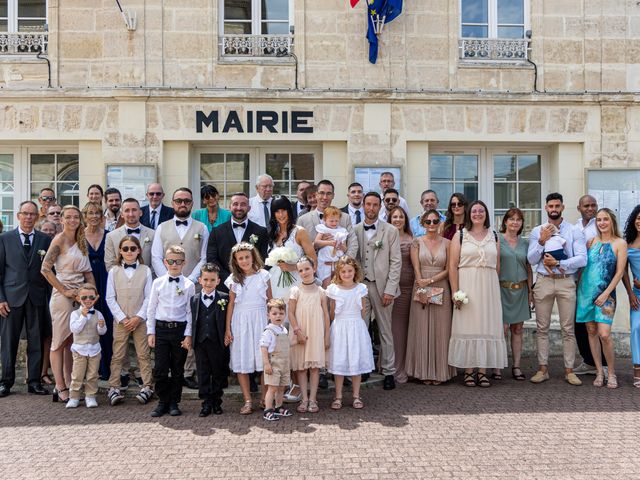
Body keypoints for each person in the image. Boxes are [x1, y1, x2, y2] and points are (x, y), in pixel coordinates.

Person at [527, 193, 587, 386]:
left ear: (562, 207)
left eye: (557, 206)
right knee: (542, 328)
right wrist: (542, 242)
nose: (554, 209)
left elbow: (582, 258)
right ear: (545, 208)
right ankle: (542, 369)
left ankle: (569, 371)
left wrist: (560, 262)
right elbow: (531, 259)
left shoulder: (574, 231)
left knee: (567, 329)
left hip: (565, 280)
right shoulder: (537, 231)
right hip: (543, 280)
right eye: (551, 206)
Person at [151, 187, 208, 389]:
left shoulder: (201, 228)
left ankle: (188, 371)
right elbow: (156, 256)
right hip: (166, 287)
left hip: (194, 286)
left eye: (186, 200)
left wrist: (190, 280)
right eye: (178, 201)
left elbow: (204, 257)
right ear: (173, 203)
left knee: (191, 325)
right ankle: (166, 371)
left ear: (192, 203)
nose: (182, 204)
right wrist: (167, 277)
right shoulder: (162, 227)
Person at [448, 200, 508, 388]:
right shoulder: (460, 236)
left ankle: (482, 371)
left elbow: (497, 265)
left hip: (488, 287)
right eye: (474, 211)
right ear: (469, 214)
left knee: (487, 326)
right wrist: (456, 291)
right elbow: (452, 266)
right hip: (467, 285)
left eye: (481, 210)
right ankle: (468, 370)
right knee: (468, 326)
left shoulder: (495, 235)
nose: (477, 214)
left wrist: (492, 287)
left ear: (486, 214)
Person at [41, 205, 95, 403]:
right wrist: (64, 290)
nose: (73, 220)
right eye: (69, 217)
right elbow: (45, 269)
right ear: (62, 219)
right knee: (59, 342)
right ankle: (59, 386)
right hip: (63, 297)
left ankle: (73, 385)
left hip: (81, 296)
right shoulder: (59, 239)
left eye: (76, 217)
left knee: (72, 342)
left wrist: (92, 294)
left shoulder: (81, 240)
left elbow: (88, 272)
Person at [0, 200, 52, 398]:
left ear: (37, 216)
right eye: (25, 213)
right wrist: (0, 299)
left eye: (32, 214)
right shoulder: (4, 239)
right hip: (11, 300)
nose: (29, 217)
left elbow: (49, 271)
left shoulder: (44, 240)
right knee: (8, 342)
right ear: (18, 216)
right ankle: (5, 382)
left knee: (36, 342)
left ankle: (34, 381)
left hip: (36, 297)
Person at [355, 191, 402, 391]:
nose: (371, 208)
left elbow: (396, 262)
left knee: (385, 330)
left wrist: (390, 290)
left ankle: (389, 371)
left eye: (375, 205)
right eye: (368, 204)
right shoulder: (355, 229)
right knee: (361, 329)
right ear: (363, 206)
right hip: (360, 287)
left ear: (380, 206)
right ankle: (364, 367)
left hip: (382, 286)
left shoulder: (390, 231)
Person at [576, 208, 627, 389]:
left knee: (604, 334)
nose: (602, 223)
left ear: (612, 221)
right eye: (599, 220)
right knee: (591, 331)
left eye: (605, 219)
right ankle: (599, 372)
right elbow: (584, 267)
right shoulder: (591, 242)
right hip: (585, 294)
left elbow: (620, 272)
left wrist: (606, 293)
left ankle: (611, 372)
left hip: (606, 295)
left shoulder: (620, 243)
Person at [405, 209, 456, 384]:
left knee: (441, 329)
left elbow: (450, 269)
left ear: (440, 222)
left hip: (441, 285)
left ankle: (440, 372)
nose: (432, 225)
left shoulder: (448, 243)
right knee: (421, 327)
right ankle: (422, 371)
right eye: (428, 222)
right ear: (423, 224)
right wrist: (422, 282)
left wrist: (432, 280)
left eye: (435, 221)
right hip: (420, 287)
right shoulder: (416, 242)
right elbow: (415, 267)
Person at [105, 236, 154, 406]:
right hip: (121, 320)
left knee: (143, 353)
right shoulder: (114, 271)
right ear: (120, 251)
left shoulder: (145, 270)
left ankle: (147, 385)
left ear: (139, 250)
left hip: (140, 319)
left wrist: (139, 317)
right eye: (125, 249)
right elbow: (110, 297)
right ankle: (114, 386)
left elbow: (149, 297)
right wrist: (122, 318)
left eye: (133, 248)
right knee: (118, 353)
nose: (129, 252)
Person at [146, 245, 195, 418]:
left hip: (179, 330)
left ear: (184, 263)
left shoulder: (189, 285)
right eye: (171, 261)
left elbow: (190, 312)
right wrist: (150, 332)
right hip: (161, 330)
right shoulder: (157, 283)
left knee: (177, 368)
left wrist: (188, 335)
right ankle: (162, 401)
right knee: (160, 368)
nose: (174, 264)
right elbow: (151, 309)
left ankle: (174, 401)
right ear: (165, 262)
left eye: (178, 261)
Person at [224, 242, 272, 415]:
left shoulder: (264, 275)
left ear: (253, 257)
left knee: (264, 359)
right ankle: (247, 400)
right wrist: (228, 329)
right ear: (235, 261)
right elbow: (231, 304)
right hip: (241, 321)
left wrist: (272, 326)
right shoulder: (233, 279)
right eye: (240, 258)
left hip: (260, 319)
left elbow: (270, 301)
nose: (244, 261)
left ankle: (265, 398)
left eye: (247, 257)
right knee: (242, 359)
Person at [326, 256, 375, 410]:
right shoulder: (333, 289)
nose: (347, 274)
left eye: (350, 271)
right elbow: (332, 311)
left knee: (355, 361)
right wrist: (332, 328)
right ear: (338, 273)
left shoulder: (360, 288)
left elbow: (363, 310)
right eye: (343, 271)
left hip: (355, 327)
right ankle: (338, 396)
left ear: (355, 271)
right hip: (340, 327)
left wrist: (359, 327)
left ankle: (356, 395)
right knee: (339, 361)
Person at [288, 257, 330, 414]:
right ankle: (304, 398)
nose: (304, 272)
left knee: (314, 368)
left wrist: (326, 336)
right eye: (300, 270)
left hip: (316, 333)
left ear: (314, 268)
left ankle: (313, 399)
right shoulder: (295, 291)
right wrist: (298, 331)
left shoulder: (321, 292)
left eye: (307, 268)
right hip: (301, 333)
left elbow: (326, 315)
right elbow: (290, 314)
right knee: (301, 368)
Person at [206, 192, 269, 291]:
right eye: (235, 204)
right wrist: (230, 278)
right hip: (225, 286)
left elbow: (264, 258)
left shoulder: (261, 231)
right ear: (230, 207)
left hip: (253, 286)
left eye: (243, 204)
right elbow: (212, 258)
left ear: (249, 208)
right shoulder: (217, 231)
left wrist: (250, 277)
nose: (239, 207)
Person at [497, 208, 533, 381]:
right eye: (511, 219)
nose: (515, 222)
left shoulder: (525, 243)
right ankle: (497, 366)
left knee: (517, 329)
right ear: (505, 222)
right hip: (501, 290)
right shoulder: (497, 240)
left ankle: (516, 366)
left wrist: (531, 292)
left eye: (518, 220)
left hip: (521, 290)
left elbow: (529, 267)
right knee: (501, 330)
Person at [191, 263, 229, 417]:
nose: (208, 283)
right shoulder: (194, 299)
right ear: (200, 280)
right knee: (203, 372)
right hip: (200, 342)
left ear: (218, 281)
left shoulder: (224, 298)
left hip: (217, 341)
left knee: (218, 372)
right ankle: (206, 402)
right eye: (205, 279)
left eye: (212, 280)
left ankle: (216, 401)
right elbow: (192, 320)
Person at [83, 201, 114, 380]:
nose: (94, 216)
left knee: (107, 323)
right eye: (90, 213)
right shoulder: (79, 236)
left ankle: (108, 368)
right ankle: (91, 369)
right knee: (89, 323)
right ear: (85, 216)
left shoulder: (109, 236)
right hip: (87, 283)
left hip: (107, 280)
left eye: (97, 213)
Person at [573, 194, 603, 376]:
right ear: (579, 208)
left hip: (597, 282)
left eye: (593, 205)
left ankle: (604, 364)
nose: (590, 208)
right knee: (580, 323)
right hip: (577, 282)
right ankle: (588, 361)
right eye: (586, 206)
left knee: (599, 324)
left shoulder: (600, 225)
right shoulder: (574, 227)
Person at [267, 195, 316, 301]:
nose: (281, 215)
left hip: (296, 281)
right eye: (277, 211)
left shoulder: (300, 232)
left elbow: (314, 261)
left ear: (289, 210)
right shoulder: (272, 234)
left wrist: (293, 267)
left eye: (283, 210)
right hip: (275, 281)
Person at [66, 284, 106, 409]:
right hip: (79, 349)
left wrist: (101, 326)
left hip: (94, 349)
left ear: (96, 298)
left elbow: (103, 332)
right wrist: (83, 316)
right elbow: (75, 329)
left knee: (93, 375)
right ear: (78, 298)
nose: (88, 300)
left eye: (91, 297)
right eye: (84, 298)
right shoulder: (75, 314)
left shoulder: (98, 314)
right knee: (77, 375)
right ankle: (74, 396)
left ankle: (90, 396)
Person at [387, 205, 414, 384]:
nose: (397, 219)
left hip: (410, 288)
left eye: (401, 217)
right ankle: (395, 366)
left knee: (410, 328)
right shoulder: (386, 237)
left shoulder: (413, 239)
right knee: (394, 330)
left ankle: (409, 366)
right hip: (392, 290)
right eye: (394, 217)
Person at [296, 179, 358, 258]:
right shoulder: (303, 220)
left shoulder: (345, 218)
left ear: (333, 196)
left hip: (339, 268)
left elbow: (353, 244)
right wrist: (317, 245)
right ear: (316, 194)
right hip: (313, 268)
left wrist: (344, 264)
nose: (325, 197)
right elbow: (298, 248)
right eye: (322, 193)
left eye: (328, 194)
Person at [260, 298, 293, 422]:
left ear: (284, 314)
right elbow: (263, 347)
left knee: (281, 387)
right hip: (273, 364)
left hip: (284, 364)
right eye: (274, 314)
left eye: (281, 313)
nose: (278, 316)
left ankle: (279, 407)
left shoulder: (283, 329)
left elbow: (287, 344)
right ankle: (268, 409)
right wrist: (266, 364)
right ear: (268, 315)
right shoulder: (269, 331)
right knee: (272, 388)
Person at [104, 197, 155, 273]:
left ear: (140, 213)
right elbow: (110, 264)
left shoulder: (153, 234)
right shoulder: (111, 236)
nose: (131, 214)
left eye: (134, 210)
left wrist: (146, 278)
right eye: (127, 210)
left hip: (147, 281)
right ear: (121, 214)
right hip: (121, 282)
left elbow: (155, 261)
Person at [622, 205, 640, 388]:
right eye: (638, 218)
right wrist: (630, 294)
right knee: (636, 328)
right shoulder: (627, 243)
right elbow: (624, 272)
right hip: (638, 295)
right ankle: (637, 371)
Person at [314, 206, 348, 288]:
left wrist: (340, 245)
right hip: (325, 260)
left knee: (338, 285)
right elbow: (316, 242)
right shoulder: (323, 229)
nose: (334, 223)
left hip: (337, 261)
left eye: (336, 221)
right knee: (327, 286)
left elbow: (345, 248)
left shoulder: (342, 231)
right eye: (331, 221)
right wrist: (329, 243)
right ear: (325, 220)